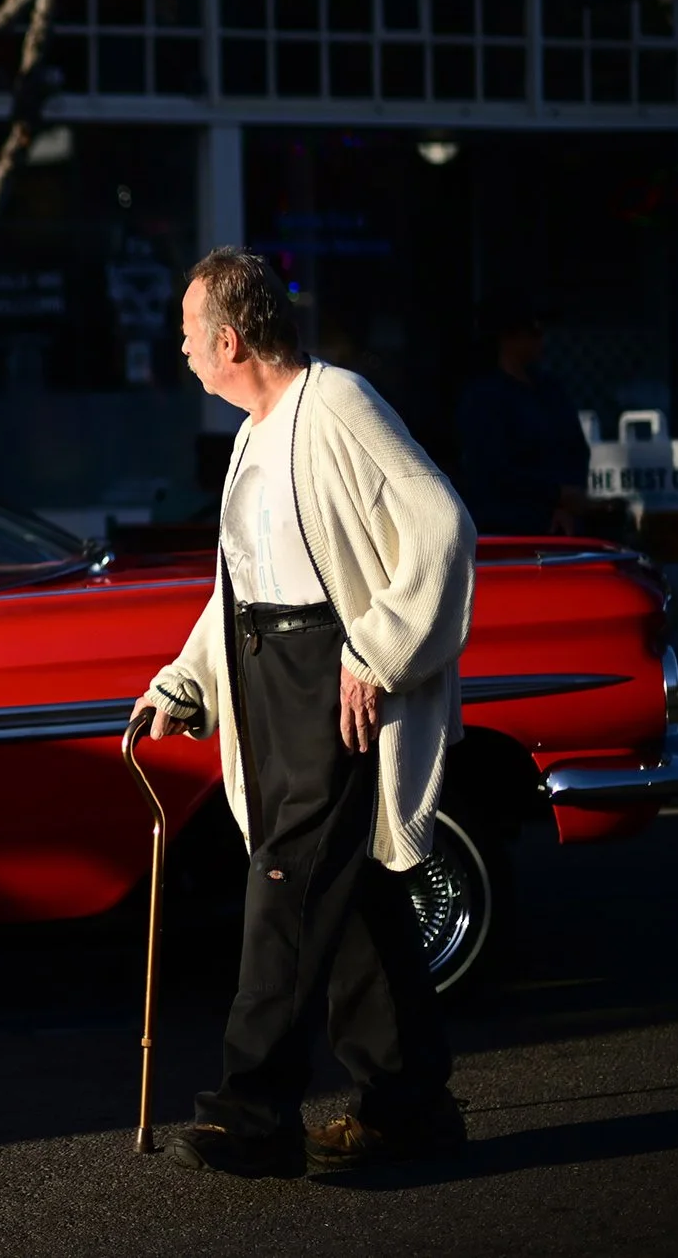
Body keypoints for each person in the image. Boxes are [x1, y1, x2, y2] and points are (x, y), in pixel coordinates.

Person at [135, 246, 476, 1178]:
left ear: (231, 338)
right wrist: (187, 678)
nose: (183, 351)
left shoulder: (337, 404)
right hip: (269, 674)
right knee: (352, 891)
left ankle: (253, 1111)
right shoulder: (254, 428)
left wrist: (379, 647)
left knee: (284, 886)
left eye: (188, 335)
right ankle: (411, 1107)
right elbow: (242, 586)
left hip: (332, 680)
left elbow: (444, 525)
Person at [453, 293, 592, 536]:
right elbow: (492, 470)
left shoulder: (550, 390)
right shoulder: (484, 397)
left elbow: (576, 449)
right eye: (534, 331)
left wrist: (568, 502)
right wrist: (555, 495)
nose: (541, 340)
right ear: (508, 337)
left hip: (562, 528)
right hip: (510, 529)